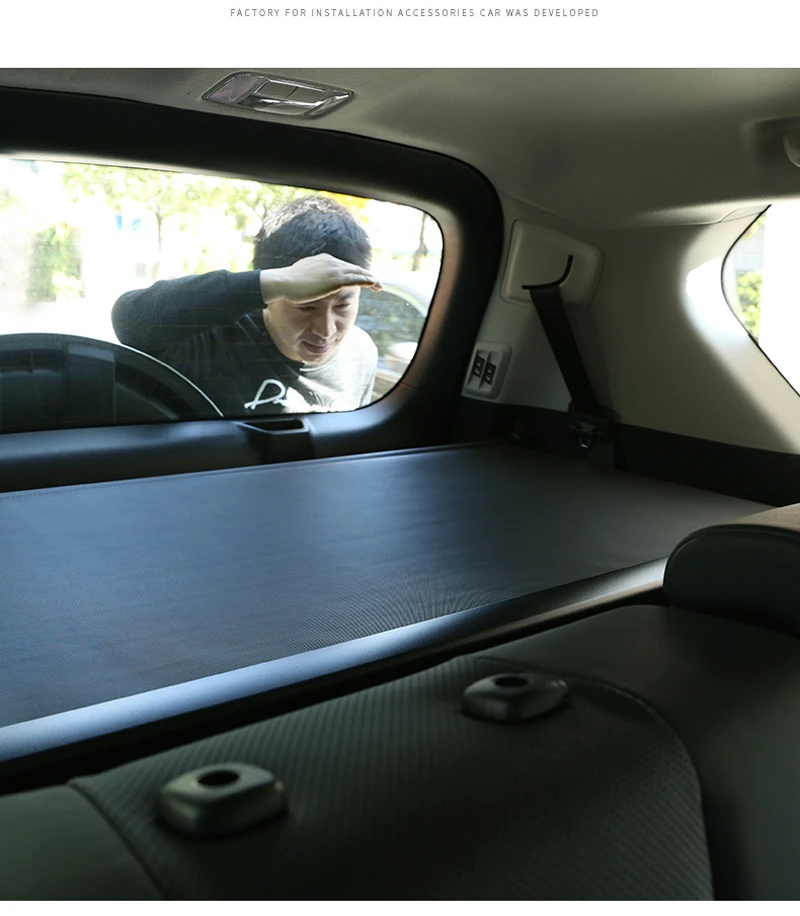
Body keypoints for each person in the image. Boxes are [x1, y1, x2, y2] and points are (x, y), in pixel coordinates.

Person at [111, 196, 382, 416]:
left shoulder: (360, 354)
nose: (326, 330)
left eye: (343, 306)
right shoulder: (210, 342)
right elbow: (129, 320)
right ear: (272, 291)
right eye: (306, 307)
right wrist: (264, 283)